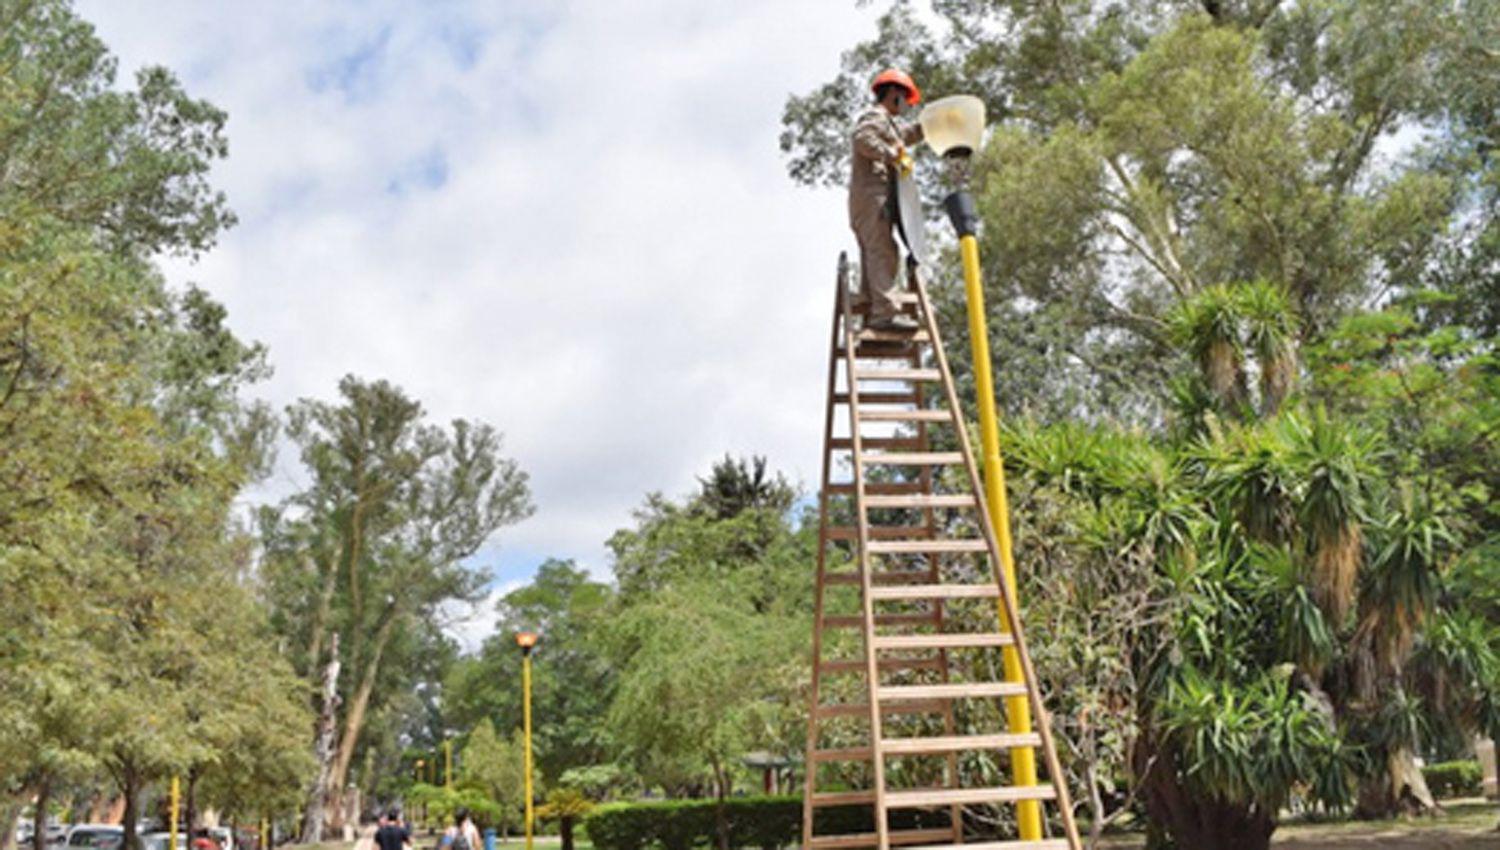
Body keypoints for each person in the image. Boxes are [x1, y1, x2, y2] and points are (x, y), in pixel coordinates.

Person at [849, 67, 925, 332]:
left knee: (876, 250)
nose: (905, 105)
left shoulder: (889, 124)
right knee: (882, 249)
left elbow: (908, 134)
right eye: (904, 98)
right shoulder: (876, 117)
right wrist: (890, 154)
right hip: (872, 195)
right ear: (893, 93)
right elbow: (862, 138)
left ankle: (873, 309)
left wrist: (934, 124)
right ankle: (884, 313)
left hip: (872, 198)